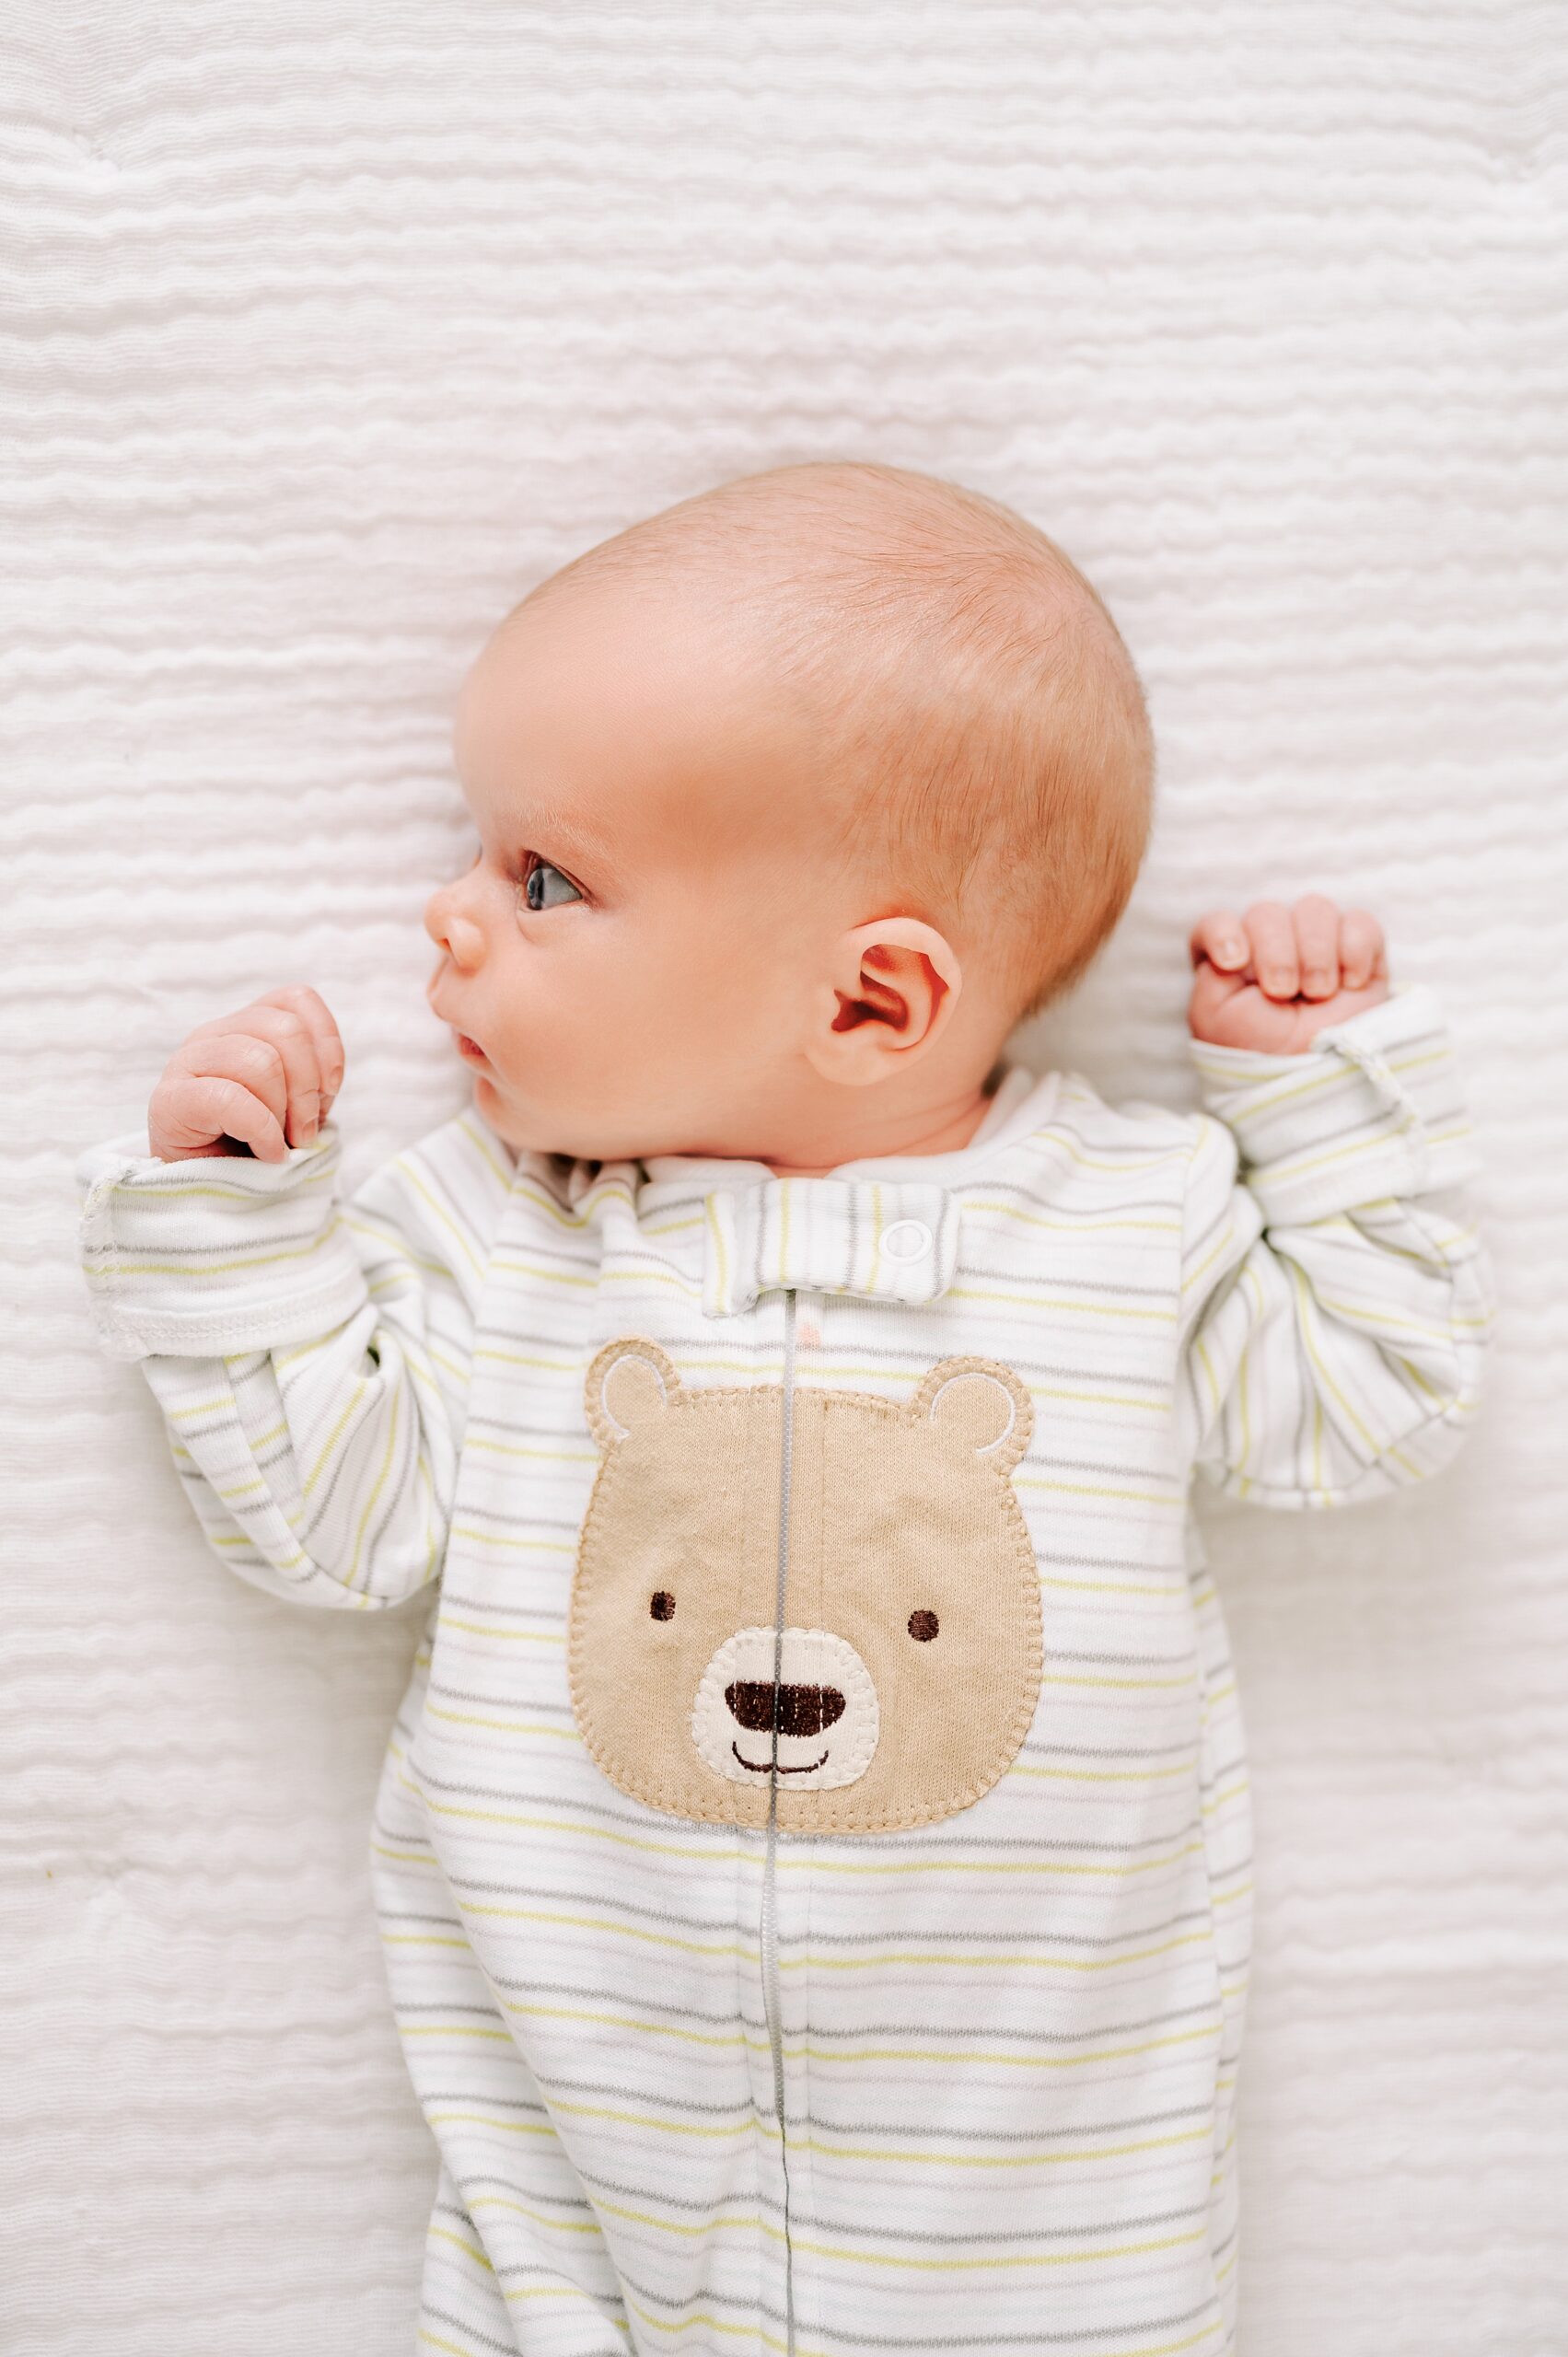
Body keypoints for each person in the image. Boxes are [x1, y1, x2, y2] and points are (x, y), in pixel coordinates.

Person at [75, 459, 1493, 2357]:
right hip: (578, 2239)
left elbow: (1375, 1399)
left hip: (1052, 2249)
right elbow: (334, 1525)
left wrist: (1313, 1096)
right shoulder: (505, 1238)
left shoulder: (1128, 1231)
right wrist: (242, 1223)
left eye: (544, 874)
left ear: (875, 1001)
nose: (447, 915)